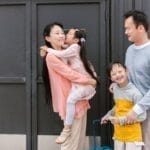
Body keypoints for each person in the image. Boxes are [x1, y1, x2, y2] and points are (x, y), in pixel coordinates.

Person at [40, 22, 97, 150]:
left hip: (79, 96)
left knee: (79, 139)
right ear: (47, 38)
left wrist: (92, 75)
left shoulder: (66, 50)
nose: (61, 35)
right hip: (70, 99)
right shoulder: (51, 57)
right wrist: (89, 81)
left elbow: (83, 62)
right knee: (71, 143)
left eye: (62, 32)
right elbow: (69, 73)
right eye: (56, 33)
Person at [101, 61, 146, 150]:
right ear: (111, 78)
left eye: (120, 71)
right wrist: (108, 115)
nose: (118, 75)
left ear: (126, 71)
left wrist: (120, 120)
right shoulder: (116, 89)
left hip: (133, 136)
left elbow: (142, 116)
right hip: (119, 134)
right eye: (114, 74)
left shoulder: (135, 93)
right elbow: (118, 106)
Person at [122, 10, 150, 150]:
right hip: (130, 109)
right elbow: (131, 76)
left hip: (146, 112)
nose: (126, 32)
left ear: (141, 28)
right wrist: (119, 83)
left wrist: (138, 109)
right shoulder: (130, 50)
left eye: (128, 28)